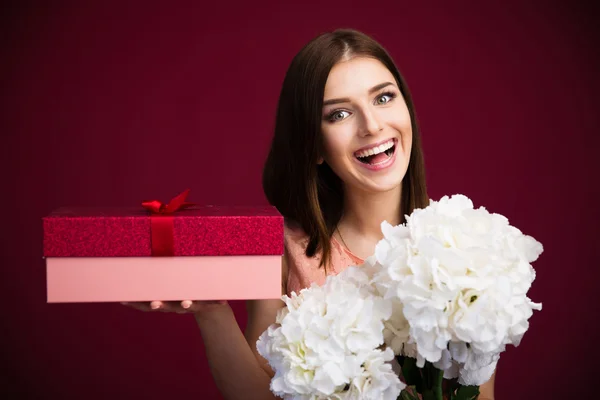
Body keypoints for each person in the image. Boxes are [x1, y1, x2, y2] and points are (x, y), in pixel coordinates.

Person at [125, 29, 496, 400]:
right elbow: (264, 394)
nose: (372, 125)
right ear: (314, 145)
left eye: (384, 97)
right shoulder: (284, 252)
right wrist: (212, 314)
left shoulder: (461, 246)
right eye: (339, 114)